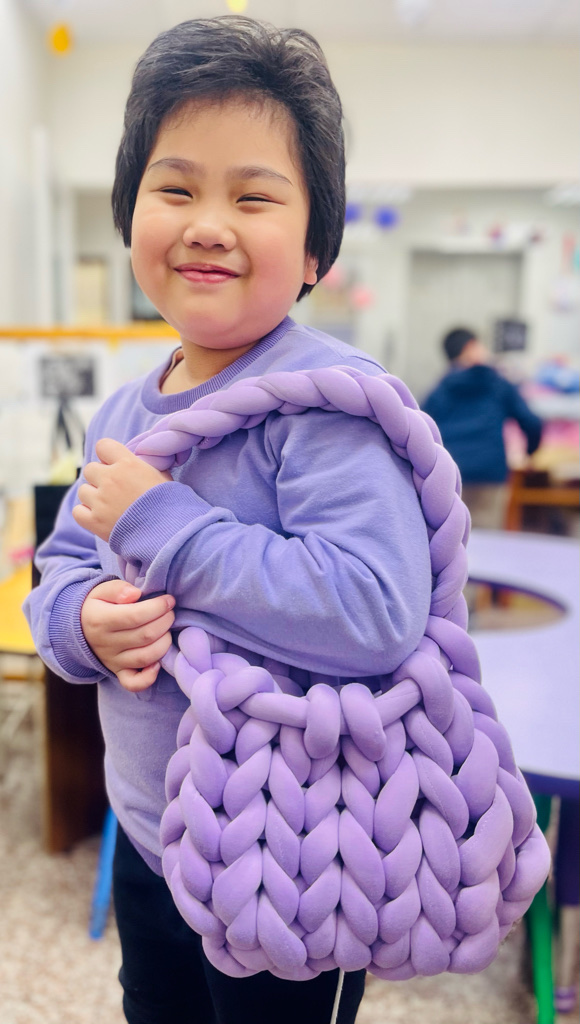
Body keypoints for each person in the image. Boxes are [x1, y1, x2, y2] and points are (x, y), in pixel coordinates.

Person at [24, 18, 431, 1024]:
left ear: (316, 247)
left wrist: (167, 526)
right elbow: (62, 564)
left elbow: (376, 610)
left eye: (253, 196)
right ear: (129, 216)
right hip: (152, 834)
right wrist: (79, 621)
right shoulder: (123, 412)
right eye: (175, 188)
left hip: (298, 850)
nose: (209, 224)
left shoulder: (327, 405)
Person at [422, 327, 543, 529]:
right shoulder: (497, 384)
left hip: (450, 472)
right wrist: (530, 452)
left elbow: (422, 427)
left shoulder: (440, 389)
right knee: (487, 536)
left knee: (450, 534)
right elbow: (531, 422)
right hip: (489, 471)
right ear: (471, 347)